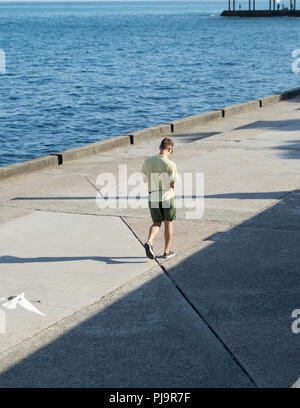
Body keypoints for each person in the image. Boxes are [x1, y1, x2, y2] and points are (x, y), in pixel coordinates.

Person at [141, 137, 178, 260]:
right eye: (171, 151)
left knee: (156, 223)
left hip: (153, 197)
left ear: (159, 147)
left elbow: (145, 177)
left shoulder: (148, 161)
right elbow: (172, 184)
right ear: (169, 149)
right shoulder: (171, 164)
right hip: (167, 196)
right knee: (168, 224)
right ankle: (166, 252)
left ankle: (149, 241)